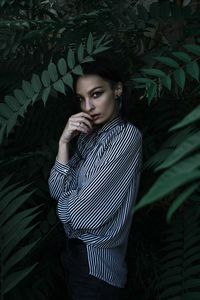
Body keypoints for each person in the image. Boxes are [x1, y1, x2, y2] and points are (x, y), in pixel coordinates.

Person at [48, 57, 142, 300]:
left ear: (117, 89)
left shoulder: (126, 137)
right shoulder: (87, 136)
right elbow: (56, 189)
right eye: (81, 99)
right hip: (73, 257)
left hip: (97, 269)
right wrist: (64, 142)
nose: (88, 106)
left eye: (96, 94)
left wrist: (69, 203)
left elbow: (82, 215)